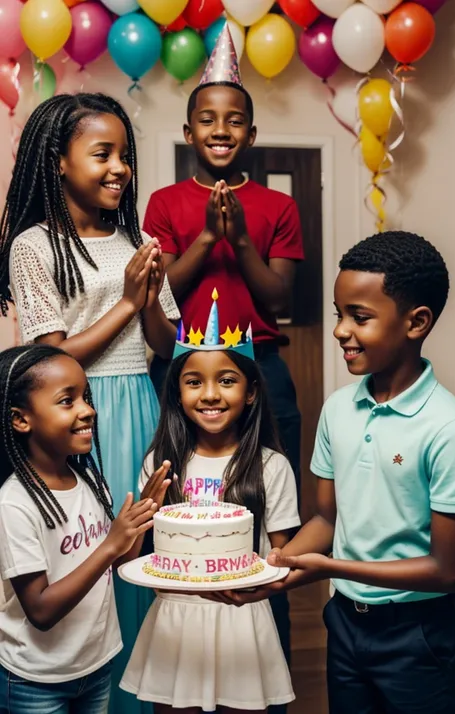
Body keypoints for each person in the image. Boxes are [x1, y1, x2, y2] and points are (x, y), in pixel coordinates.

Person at [226, 231, 455, 714]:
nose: (341, 330)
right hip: (344, 624)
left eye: (360, 317)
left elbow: (447, 571)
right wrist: (271, 573)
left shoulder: (451, 429)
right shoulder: (339, 409)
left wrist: (329, 568)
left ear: (416, 322)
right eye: (340, 313)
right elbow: (326, 521)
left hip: (417, 634)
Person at [0, 93, 180, 714]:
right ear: (58, 161)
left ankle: (134, 698)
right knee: (93, 554)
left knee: (142, 562)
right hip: (77, 415)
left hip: (138, 402)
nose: (119, 169)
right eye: (102, 153)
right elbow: (50, 358)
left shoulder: (136, 237)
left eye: (124, 156)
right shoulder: (34, 244)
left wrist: (150, 298)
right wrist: (127, 301)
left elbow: (163, 343)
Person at [143, 28, 303, 687]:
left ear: (251, 134)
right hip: (182, 370)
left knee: (270, 518)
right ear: (188, 131)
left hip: (260, 368)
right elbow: (163, 298)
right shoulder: (164, 204)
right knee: (185, 516)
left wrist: (238, 242)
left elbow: (279, 298)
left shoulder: (278, 206)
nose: (220, 129)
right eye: (207, 119)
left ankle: (268, 676)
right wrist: (208, 234)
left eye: (233, 120)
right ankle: (181, 666)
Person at [120, 292, 300, 713]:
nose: (210, 394)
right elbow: (130, 554)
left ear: (251, 391)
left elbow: (283, 553)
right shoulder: (158, 463)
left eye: (227, 379)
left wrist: (269, 567)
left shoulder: (271, 466)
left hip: (241, 616)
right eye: (194, 381)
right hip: (175, 617)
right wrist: (143, 509)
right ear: (177, 391)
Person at [0, 344, 174, 714]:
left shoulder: (88, 479)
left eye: (86, 397)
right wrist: (110, 544)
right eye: (68, 401)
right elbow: (41, 611)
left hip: (94, 665)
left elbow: (116, 560)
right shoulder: (14, 504)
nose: (88, 410)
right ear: (20, 419)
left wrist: (141, 517)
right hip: (36, 679)